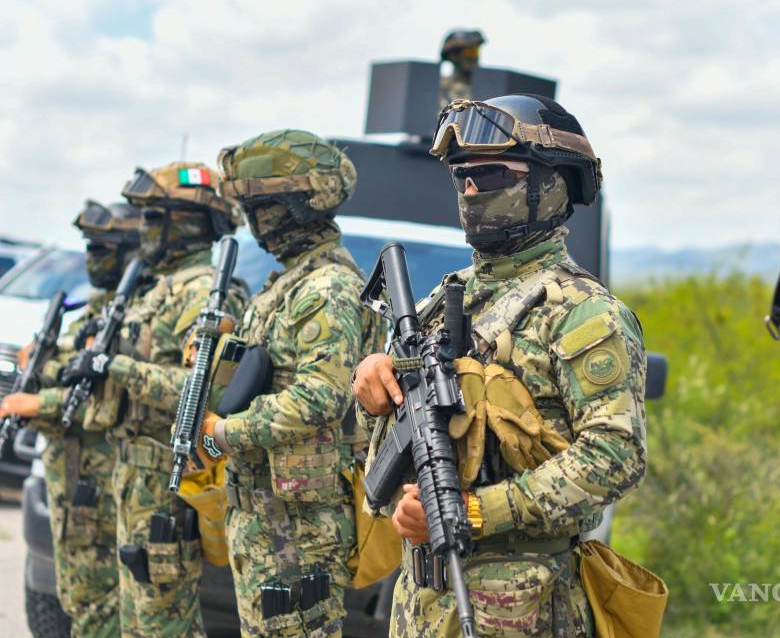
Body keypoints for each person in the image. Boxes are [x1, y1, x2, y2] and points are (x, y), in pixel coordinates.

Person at [354, 94, 647, 636]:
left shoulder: (583, 312)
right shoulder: (444, 302)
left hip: (518, 604)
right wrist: (371, 379)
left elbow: (615, 456)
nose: (469, 190)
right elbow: (377, 430)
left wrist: (478, 510)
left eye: (488, 176)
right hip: (420, 598)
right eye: (460, 178)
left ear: (549, 184)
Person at [196, 130, 384, 636]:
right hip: (265, 511)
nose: (258, 222)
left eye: (265, 207)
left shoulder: (327, 286)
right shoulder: (289, 282)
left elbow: (321, 396)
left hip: (298, 523)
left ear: (302, 205)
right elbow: (271, 368)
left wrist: (223, 433)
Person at [60, 162, 247, 636]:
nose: (143, 230)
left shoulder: (208, 291)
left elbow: (203, 389)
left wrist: (113, 366)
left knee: (163, 621)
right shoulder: (156, 291)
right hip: (129, 473)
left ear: (188, 222)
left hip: (168, 478)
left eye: (154, 217)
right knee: (133, 621)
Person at [0, 200, 142, 637]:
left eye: (103, 248)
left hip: (101, 484)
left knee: (102, 611)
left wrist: (35, 405)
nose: (92, 258)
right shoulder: (94, 308)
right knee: (73, 604)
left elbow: (109, 400)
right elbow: (64, 370)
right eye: (90, 247)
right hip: (68, 475)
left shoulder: (137, 313)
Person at [439, 29, 485, 107]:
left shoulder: (485, 88)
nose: (474, 57)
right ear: (453, 55)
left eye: (475, 51)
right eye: (470, 51)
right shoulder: (439, 87)